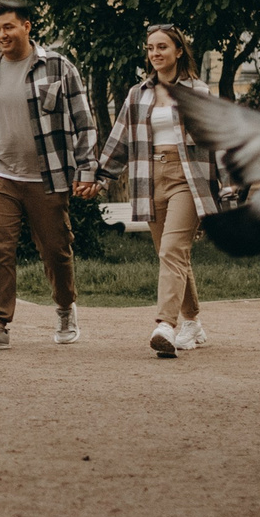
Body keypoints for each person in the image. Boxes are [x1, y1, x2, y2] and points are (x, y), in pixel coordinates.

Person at [0, 0, 99, 350]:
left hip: (48, 176)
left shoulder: (59, 68)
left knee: (55, 249)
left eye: (8, 27)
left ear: (27, 26)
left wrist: (88, 169)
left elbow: (84, 122)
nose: (1, 34)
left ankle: (65, 308)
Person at [95, 23, 217, 358]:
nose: (155, 54)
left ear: (179, 51)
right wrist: (100, 177)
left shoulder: (198, 92)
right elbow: (120, 139)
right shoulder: (138, 94)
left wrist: (231, 187)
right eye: (150, 48)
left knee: (172, 251)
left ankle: (166, 324)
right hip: (149, 176)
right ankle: (193, 323)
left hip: (187, 177)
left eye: (162, 47)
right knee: (171, 253)